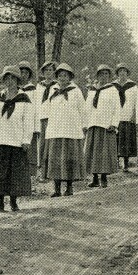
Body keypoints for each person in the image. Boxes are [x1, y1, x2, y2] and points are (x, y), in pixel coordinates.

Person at [0, 66, 34, 212]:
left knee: (14, 173)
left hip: (16, 140)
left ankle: (13, 201)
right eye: (7, 78)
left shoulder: (24, 99)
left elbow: (28, 121)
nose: (10, 81)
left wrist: (26, 140)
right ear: (4, 80)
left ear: (18, 80)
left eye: (13, 78)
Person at [43, 63, 87, 197]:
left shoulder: (76, 91)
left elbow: (83, 110)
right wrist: (47, 126)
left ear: (70, 77)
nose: (62, 78)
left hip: (71, 130)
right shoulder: (53, 90)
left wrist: (83, 126)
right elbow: (47, 109)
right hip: (55, 130)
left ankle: (69, 187)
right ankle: (56, 189)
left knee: (69, 160)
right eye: (60, 75)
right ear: (57, 77)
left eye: (65, 75)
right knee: (55, 160)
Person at [84, 65, 121, 187]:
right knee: (93, 152)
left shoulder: (112, 90)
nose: (104, 76)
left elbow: (117, 108)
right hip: (93, 124)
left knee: (104, 152)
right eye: (101, 74)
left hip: (106, 125)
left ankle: (104, 177)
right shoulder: (92, 90)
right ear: (97, 75)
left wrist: (114, 124)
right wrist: (85, 124)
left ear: (109, 76)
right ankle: (94, 178)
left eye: (106, 74)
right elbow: (87, 108)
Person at [113, 63, 138, 172]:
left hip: (128, 116)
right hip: (116, 117)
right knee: (116, 140)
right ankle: (116, 163)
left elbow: (137, 102)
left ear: (127, 73)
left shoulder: (132, 86)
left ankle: (126, 164)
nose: (122, 73)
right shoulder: (113, 85)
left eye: (124, 71)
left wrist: (134, 115)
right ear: (117, 73)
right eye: (120, 71)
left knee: (127, 140)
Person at [18, 61, 40, 179]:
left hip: (29, 122)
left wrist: (36, 127)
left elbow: (36, 108)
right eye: (21, 72)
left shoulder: (33, 90)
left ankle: (30, 172)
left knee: (30, 148)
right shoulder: (15, 89)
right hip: (17, 123)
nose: (23, 75)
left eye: (26, 72)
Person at [36, 61, 58, 178]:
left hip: (53, 118)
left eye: (51, 70)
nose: (48, 73)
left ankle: (52, 171)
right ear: (43, 73)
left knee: (52, 144)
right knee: (42, 144)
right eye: (46, 70)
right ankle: (42, 171)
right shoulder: (39, 87)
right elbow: (36, 103)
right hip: (42, 118)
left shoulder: (57, 86)